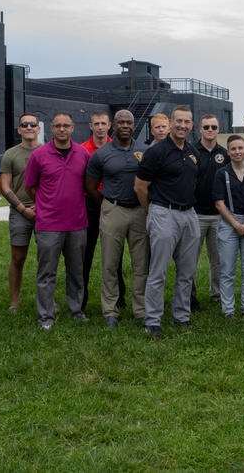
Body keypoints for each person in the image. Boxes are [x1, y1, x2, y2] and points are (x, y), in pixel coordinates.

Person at [134, 105, 201, 339]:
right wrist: (152, 211)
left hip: (189, 215)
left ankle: (181, 316)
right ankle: (153, 320)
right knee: (158, 271)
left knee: (187, 271)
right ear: (171, 123)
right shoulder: (156, 152)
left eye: (187, 122)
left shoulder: (193, 151)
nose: (183, 125)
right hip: (164, 213)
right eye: (179, 121)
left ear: (192, 126)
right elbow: (140, 187)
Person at [24, 112, 91, 329]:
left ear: (73, 128)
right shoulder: (39, 155)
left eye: (66, 126)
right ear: (51, 129)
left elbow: (87, 185)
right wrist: (46, 204)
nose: (62, 129)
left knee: (76, 270)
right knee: (46, 272)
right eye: (57, 126)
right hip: (49, 224)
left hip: (77, 222)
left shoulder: (82, 154)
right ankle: (46, 316)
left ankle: (76, 310)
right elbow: (30, 186)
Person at [84, 110, 149, 327]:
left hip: (140, 211)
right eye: (120, 122)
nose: (124, 125)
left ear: (133, 125)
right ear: (114, 125)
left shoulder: (145, 151)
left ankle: (140, 309)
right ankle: (110, 311)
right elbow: (90, 187)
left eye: (128, 122)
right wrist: (105, 204)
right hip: (113, 209)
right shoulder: (101, 154)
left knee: (141, 264)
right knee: (110, 264)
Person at [213, 134, 244, 317]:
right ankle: (228, 309)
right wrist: (236, 224)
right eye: (233, 149)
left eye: (240, 148)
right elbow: (219, 203)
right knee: (227, 269)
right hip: (228, 222)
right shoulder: (221, 173)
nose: (237, 151)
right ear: (228, 151)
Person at [0, 113, 41, 314]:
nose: (29, 127)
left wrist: (41, 207)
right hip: (19, 212)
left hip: (46, 212)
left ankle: (46, 299)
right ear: (19, 129)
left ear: (39, 129)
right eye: (25, 124)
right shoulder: (10, 154)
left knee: (47, 257)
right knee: (17, 258)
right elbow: (5, 187)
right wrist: (23, 209)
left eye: (33, 124)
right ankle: (14, 302)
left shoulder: (49, 151)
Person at [192, 113, 229, 309]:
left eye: (213, 127)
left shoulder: (224, 153)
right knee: (191, 259)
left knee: (218, 260)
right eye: (206, 127)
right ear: (199, 129)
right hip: (195, 213)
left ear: (218, 129)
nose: (210, 131)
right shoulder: (191, 151)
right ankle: (192, 297)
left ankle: (217, 295)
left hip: (218, 215)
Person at [80, 110, 112, 314]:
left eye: (103, 123)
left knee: (113, 255)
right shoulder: (82, 150)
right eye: (96, 123)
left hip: (112, 204)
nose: (100, 127)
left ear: (110, 126)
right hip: (89, 204)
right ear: (90, 126)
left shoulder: (118, 147)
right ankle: (80, 300)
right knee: (86, 254)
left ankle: (118, 298)